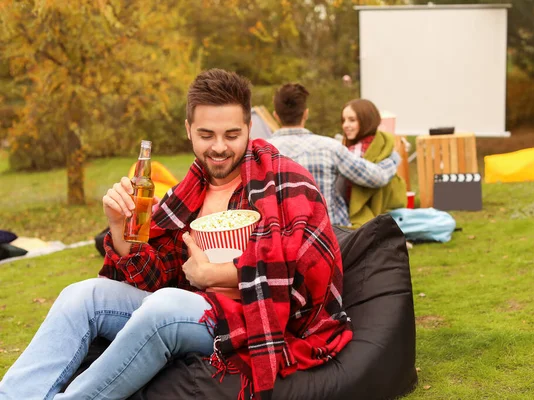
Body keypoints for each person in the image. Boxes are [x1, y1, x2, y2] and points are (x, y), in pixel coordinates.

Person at [0, 69, 352, 400]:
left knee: (164, 306)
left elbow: (308, 267)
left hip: (250, 317)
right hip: (188, 307)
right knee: (82, 295)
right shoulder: (188, 191)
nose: (219, 147)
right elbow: (151, 276)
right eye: (206, 135)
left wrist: (217, 274)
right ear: (188, 129)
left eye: (232, 134)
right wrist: (118, 225)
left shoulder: (283, 180)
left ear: (249, 127)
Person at [267, 83, 400, 227]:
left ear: (276, 116)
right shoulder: (331, 148)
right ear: (306, 113)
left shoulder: (260, 152)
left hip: (281, 233)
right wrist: (393, 158)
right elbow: (376, 177)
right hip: (331, 234)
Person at [340, 98, 407, 229]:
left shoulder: (353, 153)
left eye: (352, 120)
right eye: (344, 120)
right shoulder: (385, 143)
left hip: (359, 213)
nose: (345, 125)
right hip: (389, 210)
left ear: (366, 121)